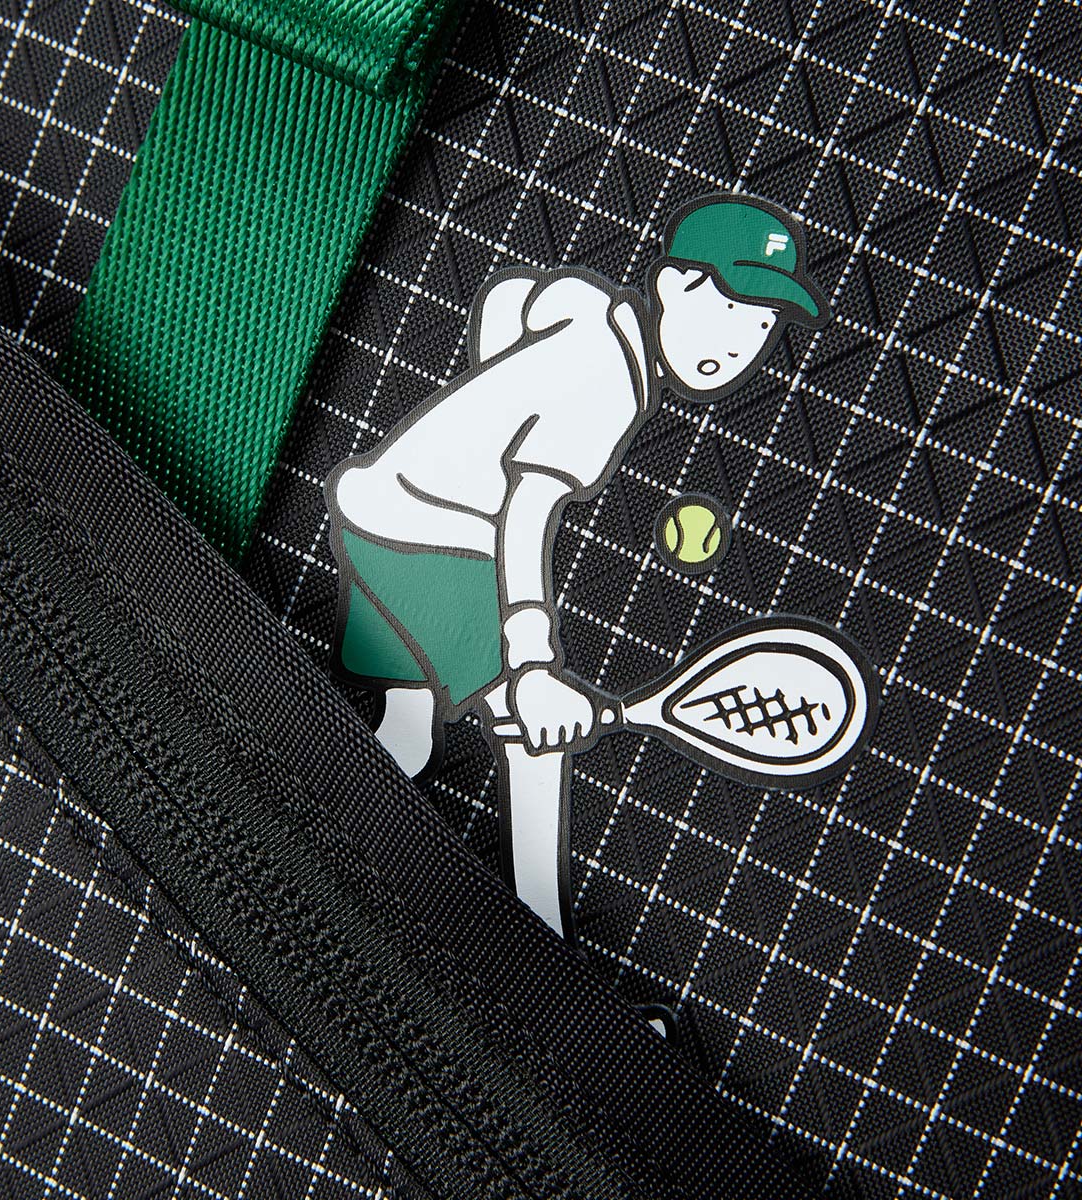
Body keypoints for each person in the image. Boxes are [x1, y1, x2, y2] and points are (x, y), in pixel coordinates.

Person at [325, 193, 829, 948]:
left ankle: (300, 836)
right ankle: (545, 951)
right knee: (537, 744)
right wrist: (532, 667)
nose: (738, 343)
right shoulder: (610, 387)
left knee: (406, 737)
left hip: (378, 508)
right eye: (727, 307)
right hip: (434, 540)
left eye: (760, 326)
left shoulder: (593, 316)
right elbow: (525, 518)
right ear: (672, 285)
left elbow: (512, 301)